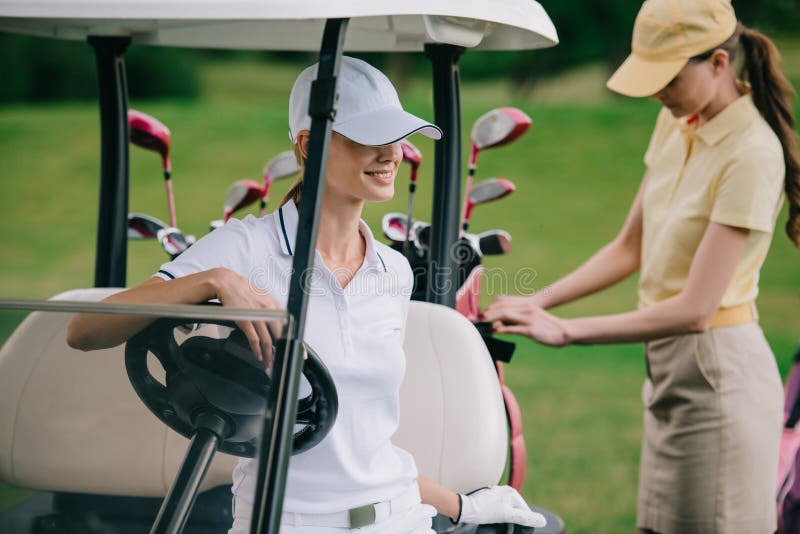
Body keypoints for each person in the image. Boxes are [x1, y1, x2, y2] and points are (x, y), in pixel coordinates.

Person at [67, 56, 546, 533]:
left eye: (397, 137)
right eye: (371, 138)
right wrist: (211, 280)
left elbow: (362, 446)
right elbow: (85, 330)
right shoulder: (245, 247)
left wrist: (463, 506)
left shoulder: (393, 270)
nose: (392, 153)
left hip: (398, 517)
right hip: (283, 520)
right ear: (309, 144)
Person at [483, 1, 799, 533]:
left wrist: (568, 332)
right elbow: (630, 246)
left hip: (720, 381)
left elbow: (698, 310)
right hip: (668, 371)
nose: (658, 92)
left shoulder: (752, 153)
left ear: (718, 64)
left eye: (669, 78)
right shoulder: (676, 122)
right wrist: (540, 302)